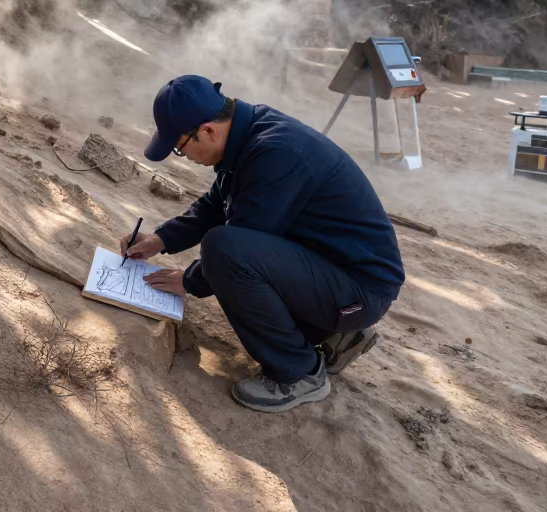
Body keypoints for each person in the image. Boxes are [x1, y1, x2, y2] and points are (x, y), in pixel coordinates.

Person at [121, 75, 405, 413]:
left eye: (180, 148)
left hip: (360, 291)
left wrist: (189, 280)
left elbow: (240, 242)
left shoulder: (276, 152)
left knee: (224, 249)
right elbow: (215, 205)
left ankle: (299, 373)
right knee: (227, 249)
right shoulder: (249, 134)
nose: (183, 156)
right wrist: (159, 240)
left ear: (208, 130)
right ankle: (336, 336)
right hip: (335, 273)